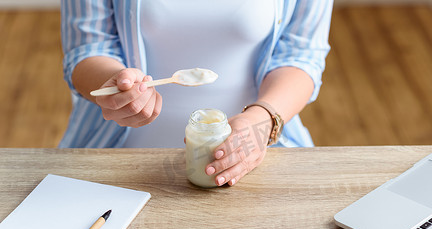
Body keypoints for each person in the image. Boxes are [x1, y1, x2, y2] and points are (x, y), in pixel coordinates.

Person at [59, 0, 333, 187]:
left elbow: (302, 54)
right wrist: (116, 85)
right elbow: (87, 47)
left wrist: (263, 122)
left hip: (255, 155)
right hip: (116, 167)